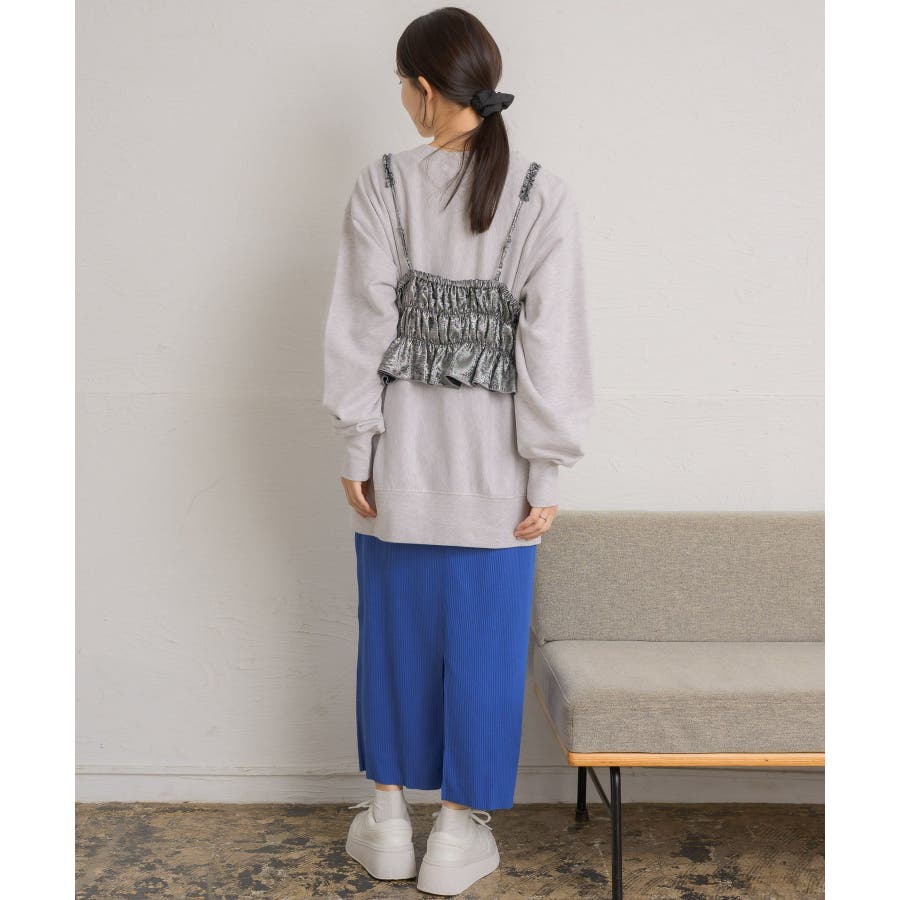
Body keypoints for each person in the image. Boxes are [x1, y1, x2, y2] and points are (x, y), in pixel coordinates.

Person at [321, 8, 594, 895]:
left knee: (393, 645)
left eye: (404, 86)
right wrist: (546, 467)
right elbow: (553, 345)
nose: (402, 100)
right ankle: (455, 831)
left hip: (398, 468)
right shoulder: (542, 193)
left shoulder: (384, 185)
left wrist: (357, 446)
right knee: (483, 651)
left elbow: (361, 328)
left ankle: (388, 819)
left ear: (425, 90)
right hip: (500, 479)